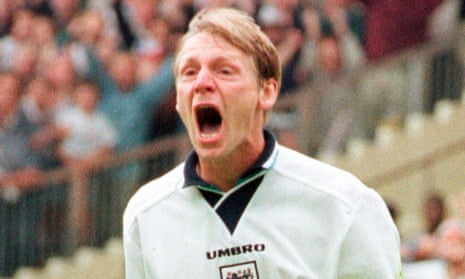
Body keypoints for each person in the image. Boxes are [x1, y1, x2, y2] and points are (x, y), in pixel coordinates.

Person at [123, 7, 401, 278]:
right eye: (189, 72)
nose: (202, 82)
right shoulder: (145, 216)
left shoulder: (345, 205)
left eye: (224, 71)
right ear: (178, 100)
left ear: (267, 91)